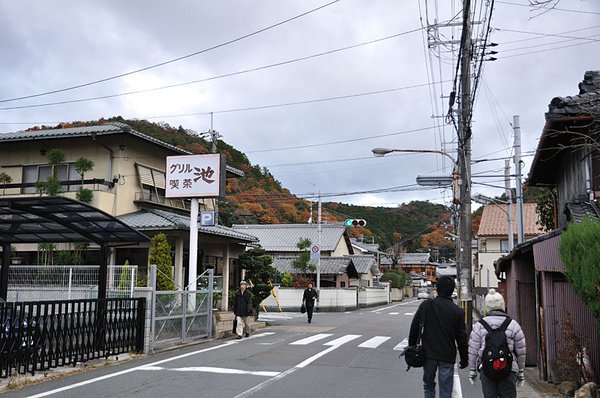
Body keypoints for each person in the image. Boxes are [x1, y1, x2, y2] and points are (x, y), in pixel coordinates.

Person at [409, 275, 468, 398]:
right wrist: (464, 357)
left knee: (428, 384)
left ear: (437, 288)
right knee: (446, 389)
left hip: (428, 354)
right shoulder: (457, 311)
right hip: (447, 355)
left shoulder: (426, 305)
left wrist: (412, 347)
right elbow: (461, 337)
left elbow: (415, 327)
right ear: (452, 291)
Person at [468, 288, 526, 398]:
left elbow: (473, 350)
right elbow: (521, 350)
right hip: (508, 369)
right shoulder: (513, 325)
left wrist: (472, 370)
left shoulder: (479, 326)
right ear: (502, 305)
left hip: (487, 368)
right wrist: (521, 371)